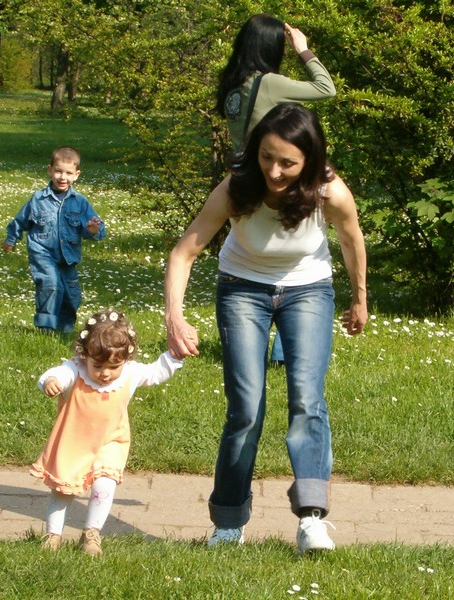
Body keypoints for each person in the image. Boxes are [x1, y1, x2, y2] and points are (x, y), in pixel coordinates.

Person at [164, 103, 367, 555]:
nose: (274, 171)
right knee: (245, 410)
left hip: (308, 290)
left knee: (307, 401)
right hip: (242, 289)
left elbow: (351, 238)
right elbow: (184, 252)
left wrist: (360, 298)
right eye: (266, 157)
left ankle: (311, 520)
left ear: (310, 161)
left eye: (288, 163)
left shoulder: (329, 190)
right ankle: (228, 524)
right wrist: (174, 316)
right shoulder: (237, 186)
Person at [216, 14, 336, 363]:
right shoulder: (269, 83)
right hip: (276, 180)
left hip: (246, 179)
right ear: (272, 47)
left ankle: (255, 335)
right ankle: (287, 347)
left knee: (251, 253)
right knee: (293, 258)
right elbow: (326, 88)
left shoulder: (231, 84)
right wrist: (304, 49)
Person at [30, 309, 184, 556]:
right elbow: (59, 374)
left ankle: (91, 534)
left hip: (111, 441)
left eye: (113, 367)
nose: (105, 373)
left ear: (126, 359)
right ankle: (53, 535)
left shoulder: (130, 373)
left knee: (104, 486)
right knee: (62, 491)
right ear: (85, 355)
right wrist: (50, 382)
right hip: (73, 443)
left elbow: (155, 373)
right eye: (98, 365)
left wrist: (175, 356)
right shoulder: (76, 370)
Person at [2, 146, 105, 334]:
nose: (62, 177)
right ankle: (46, 329)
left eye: (68, 173)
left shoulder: (80, 202)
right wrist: (11, 239)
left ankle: (64, 330)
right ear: (50, 170)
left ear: (76, 175)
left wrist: (93, 230)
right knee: (50, 285)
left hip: (68, 257)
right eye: (58, 171)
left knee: (71, 295)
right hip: (42, 253)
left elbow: (97, 229)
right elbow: (20, 221)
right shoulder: (38, 199)